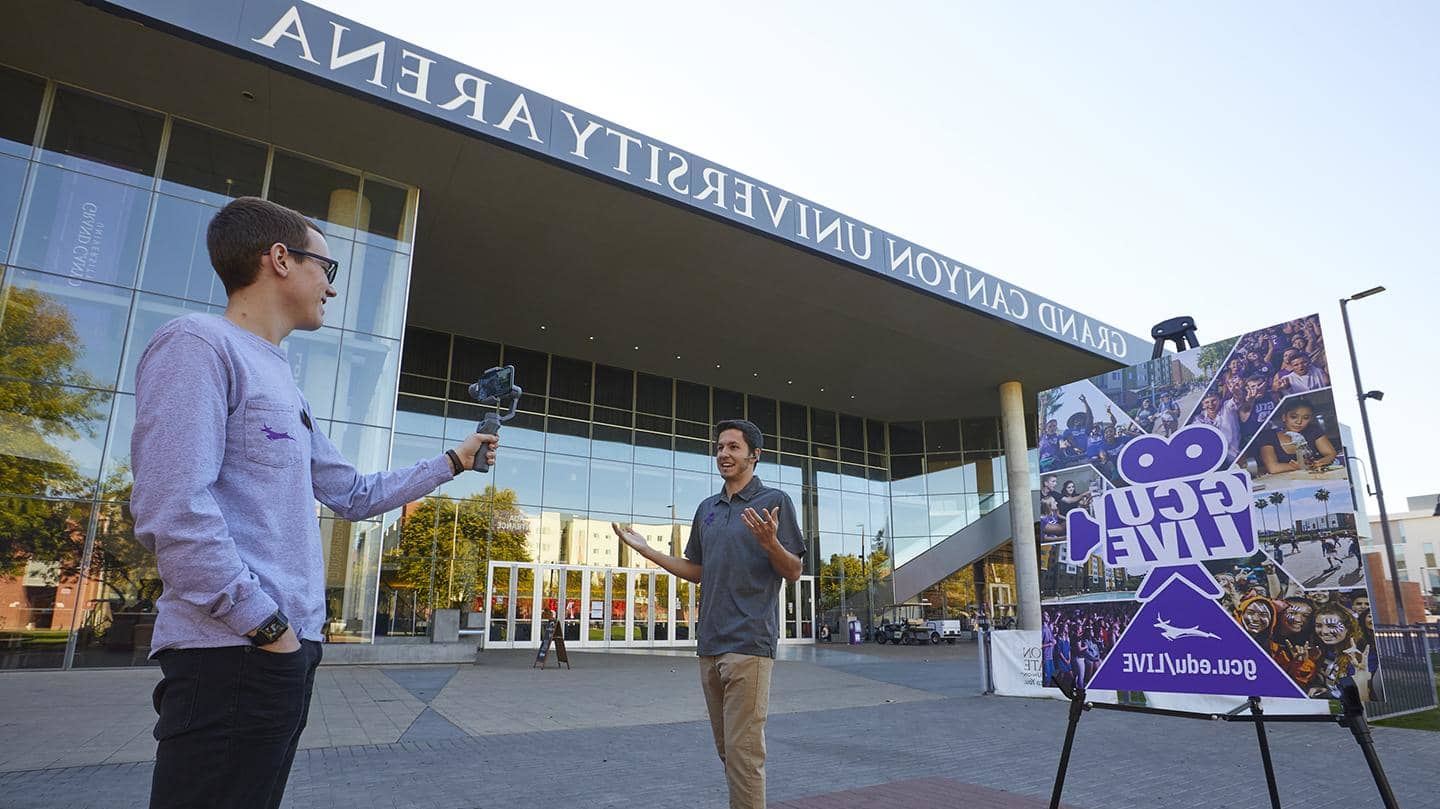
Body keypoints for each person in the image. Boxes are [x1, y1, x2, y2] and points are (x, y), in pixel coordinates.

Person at [131, 197, 498, 809]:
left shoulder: (283, 381)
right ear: (279, 259)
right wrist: (264, 625)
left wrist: (453, 461)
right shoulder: (197, 345)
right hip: (231, 654)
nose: (331, 289)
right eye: (326, 269)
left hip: (280, 656)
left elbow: (353, 495)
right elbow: (172, 507)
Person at [610, 419, 804, 809]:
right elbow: (697, 570)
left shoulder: (774, 501)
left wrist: (770, 543)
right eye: (719, 447)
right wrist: (648, 551)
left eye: (733, 447)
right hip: (710, 644)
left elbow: (793, 570)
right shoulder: (707, 510)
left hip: (749, 643)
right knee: (728, 751)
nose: (723, 454)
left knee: (744, 755)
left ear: (754, 455)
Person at [1256, 399, 1336, 475]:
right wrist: (1301, 466)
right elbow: (1273, 468)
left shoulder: (1313, 431)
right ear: (1284, 417)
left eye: (1305, 418)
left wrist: (1319, 462)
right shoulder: (1268, 436)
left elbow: (1330, 454)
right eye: (1293, 417)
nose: (1299, 422)